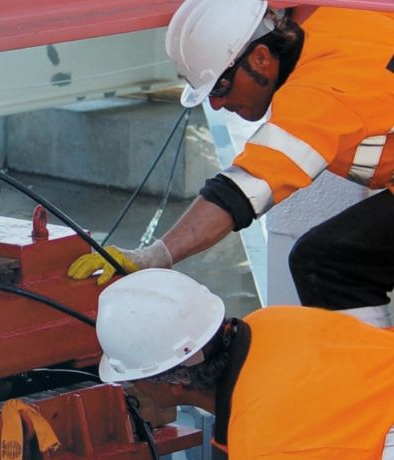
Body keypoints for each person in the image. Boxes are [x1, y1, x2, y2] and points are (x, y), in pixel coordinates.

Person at [68, 0, 394, 327]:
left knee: (326, 265)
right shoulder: (333, 14)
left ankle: (369, 373)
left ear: (261, 58)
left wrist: (155, 255)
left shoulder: (319, 93)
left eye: (221, 86)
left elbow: (239, 193)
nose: (217, 103)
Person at [96, 269, 394, 460]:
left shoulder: (268, 454)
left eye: (132, 380)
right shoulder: (274, 320)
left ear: (174, 384)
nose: (132, 389)